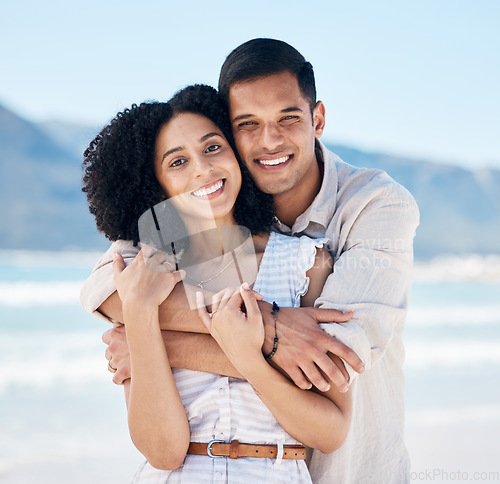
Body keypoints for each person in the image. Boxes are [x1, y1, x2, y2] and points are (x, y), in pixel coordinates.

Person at [81, 39, 419, 483]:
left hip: (351, 470)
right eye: (248, 124)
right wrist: (270, 327)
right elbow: (105, 287)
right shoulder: (164, 245)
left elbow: (331, 363)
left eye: (289, 118)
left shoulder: (369, 210)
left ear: (318, 119)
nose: (269, 140)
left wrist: (160, 345)